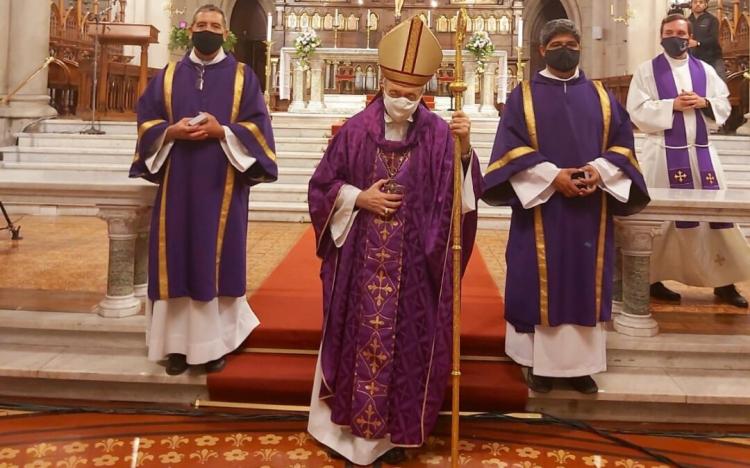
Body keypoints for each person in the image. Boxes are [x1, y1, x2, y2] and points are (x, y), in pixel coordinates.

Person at [306, 16, 482, 466]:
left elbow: (460, 203)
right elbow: (322, 186)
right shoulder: (354, 131)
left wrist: (464, 153)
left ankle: (394, 437)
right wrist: (356, 197)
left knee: (406, 349)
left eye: (412, 93)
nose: (403, 101)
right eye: (396, 92)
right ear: (383, 82)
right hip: (359, 267)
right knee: (359, 345)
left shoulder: (443, 136)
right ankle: (351, 436)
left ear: (426, 90)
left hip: (414, 269)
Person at [482, 19, 649, 395]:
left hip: (591, 212)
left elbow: (623, 144)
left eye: (571, 43)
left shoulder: (603, 97)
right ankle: (537, 364)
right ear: (542, 50)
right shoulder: (522, 96)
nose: (566, 49)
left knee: (583, 281)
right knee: (539, 278)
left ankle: (581, 367)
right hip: (541, 208)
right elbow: (509, 148)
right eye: (557, 43)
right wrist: (552, 177)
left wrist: (597, 171)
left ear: (580, 47)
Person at [129, 4, 278, 375]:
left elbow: (258, 127)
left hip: (221, 185)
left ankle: (213, 346)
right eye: (202, 24)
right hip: (177, 186)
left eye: (215, 25)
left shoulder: (244, 77)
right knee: (176, 256)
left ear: (225, 34)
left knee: (212, 260)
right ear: (190, 30)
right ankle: (176, 348)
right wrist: (170, 132)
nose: (207, 30)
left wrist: (223, 131)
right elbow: (146, 121)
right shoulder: (167, 76)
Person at [627, 14, 750, 308]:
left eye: (680, 32)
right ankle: (654, 279)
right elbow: (636, 109)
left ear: (690, 38)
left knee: (716, 217)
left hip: (702, 153)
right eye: (669, 32)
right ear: (661, 36)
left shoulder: (705, 70)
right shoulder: (647, 71)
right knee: (661, 221)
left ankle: (723, 282)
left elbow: (723, 103)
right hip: (663, 154)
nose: (675, 37)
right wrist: (673, 105)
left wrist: (703, 103)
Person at [688, 0, 725, 80]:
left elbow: (713, 39)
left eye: (701, 2)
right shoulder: (686, 21)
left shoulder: (712, 20)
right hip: (694, 60)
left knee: (720, 85)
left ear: (705, 4)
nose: (698, 4)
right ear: (691, 4)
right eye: (695, 2)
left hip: (713, 59)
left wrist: (698, 43)